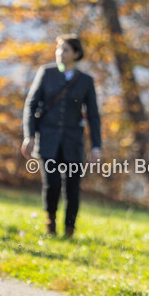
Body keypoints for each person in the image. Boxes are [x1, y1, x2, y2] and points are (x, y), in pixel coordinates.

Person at [21, 34, 101, 238]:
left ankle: (69, 228)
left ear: (76, 53)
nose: (60, 53)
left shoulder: (86, 81)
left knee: (73, 188)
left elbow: (93, 115)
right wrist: (29, 135)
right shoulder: (46, 73)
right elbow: (31, 105)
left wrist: (96, 147)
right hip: (47, 140)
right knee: (52, 183)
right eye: (58, 49)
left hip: (73, 143)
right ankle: (50, 221)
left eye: (65, 50)